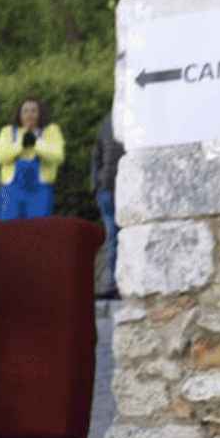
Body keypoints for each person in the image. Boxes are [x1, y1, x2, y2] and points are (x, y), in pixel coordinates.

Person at [0, 95, 64, 219]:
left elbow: (58, 157)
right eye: (25, 111)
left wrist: (36, 144)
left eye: (34, 111)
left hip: (40, 192)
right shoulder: (7, 131)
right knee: (7, 230)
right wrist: (19, 145)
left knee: (38, 229)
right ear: (19, 114)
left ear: (40, 113)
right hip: (10, 191)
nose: (29, 114)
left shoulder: (51, 131)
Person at [92, 106, 124, 300]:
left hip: (120, 188)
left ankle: (117, 282)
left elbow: (96, 155)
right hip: (108, 189)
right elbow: (96, 155)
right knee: (113, 236)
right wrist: (96, 186)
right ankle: (113, 282)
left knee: (116, 237)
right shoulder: (109, 119)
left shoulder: (109, 119)